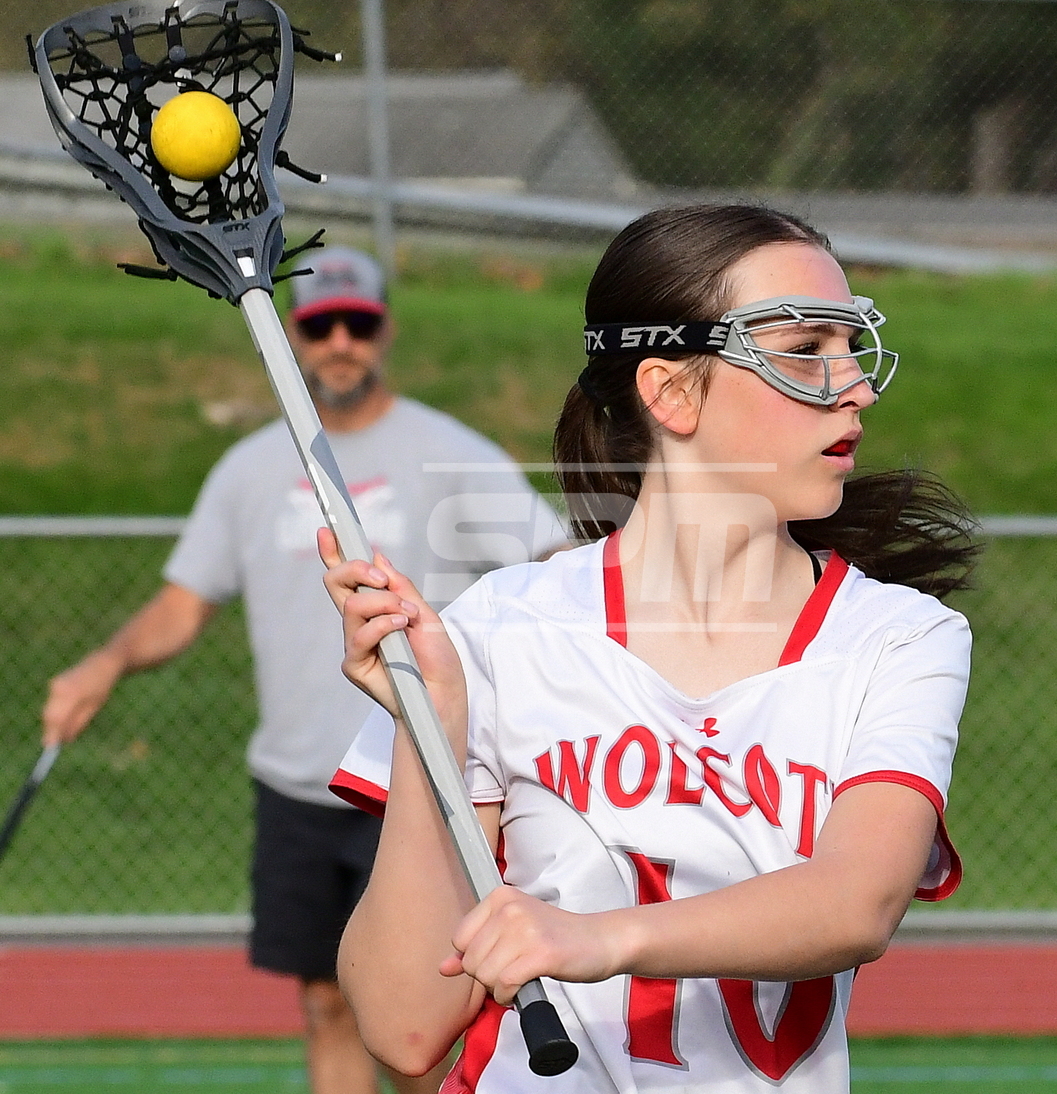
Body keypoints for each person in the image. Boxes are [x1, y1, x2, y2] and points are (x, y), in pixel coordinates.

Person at [321, 206, 980, 1093]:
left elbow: (856, 902)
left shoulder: (899, 638)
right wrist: (429, 727)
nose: (856, 386)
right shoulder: (499, 629)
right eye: (804, 349)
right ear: (670, 394)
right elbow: (403, 1026)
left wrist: (599, 940)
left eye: (851, 347)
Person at [41, 246, 566, 1094]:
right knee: (326, 1004)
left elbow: (553, 569)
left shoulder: (450, 453)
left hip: (422, 789)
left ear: (384, 331)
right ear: (293, 335)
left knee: (426, 1031)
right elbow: (182, 605)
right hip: (296, 787)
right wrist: (102, 665)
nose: (341, 343)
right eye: (322, 326)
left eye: (359, 323)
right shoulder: (248, 469)